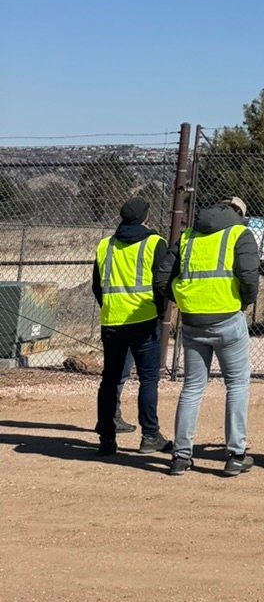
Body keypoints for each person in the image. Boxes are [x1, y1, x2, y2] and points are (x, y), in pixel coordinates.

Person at [168, 196, 260, 477]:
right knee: (237, 385)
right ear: (239, 214)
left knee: (192, 387)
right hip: (228, 318)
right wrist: (245, 301)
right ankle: (236, 454)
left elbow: (163, 275)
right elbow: (248, 275)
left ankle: (181, 456)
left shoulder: (188, 237)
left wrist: (182, 299)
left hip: (193, 320)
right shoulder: (239, 234)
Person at [92, 195, 174, 458]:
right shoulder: (154, 243)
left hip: (113, 321)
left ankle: (106, 439)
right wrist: (160, 311)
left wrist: (110, 307)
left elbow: (98, 285)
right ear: (145, 218)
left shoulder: (105, 245)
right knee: (148, 379)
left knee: (110, 379)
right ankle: (150, 435)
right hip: (144, 319)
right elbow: (161, 283)